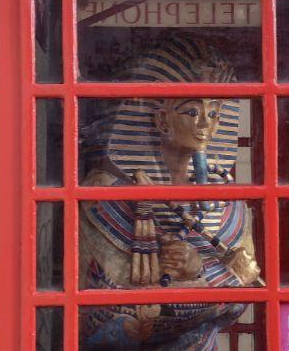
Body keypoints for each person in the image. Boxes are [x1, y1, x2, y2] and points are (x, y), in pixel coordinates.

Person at [79, 36, 260, 350]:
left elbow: (243, 299)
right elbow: (108, 321)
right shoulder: (105, 197)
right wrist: (217, 281)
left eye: (214, 113)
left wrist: (197, 271)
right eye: (191, 111)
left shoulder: (228, 200)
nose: (207, 124)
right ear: (161, 119)